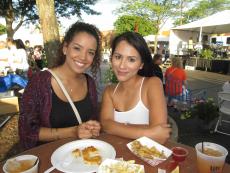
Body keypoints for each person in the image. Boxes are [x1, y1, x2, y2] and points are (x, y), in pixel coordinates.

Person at [19, 22, 102, 150]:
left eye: (90, 52)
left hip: (84, 157)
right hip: (49, 160)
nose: (83, 57)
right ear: (65, 48)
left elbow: (92, 120)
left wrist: (93, 127)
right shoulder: (39, 82)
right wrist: (73, 131)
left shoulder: (89, 82)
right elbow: (27, 131)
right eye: (77, 48)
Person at [100, 32, 171, 144]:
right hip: (116, 158)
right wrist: (148, 132)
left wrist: (117, 128)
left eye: (131, 59)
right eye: (118, 57)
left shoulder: (152, 84)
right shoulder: (109, 91)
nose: (122, 65)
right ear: (111, 58)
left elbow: (160, 136)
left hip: (145, 158)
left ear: (141, 64)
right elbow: (106, 125)